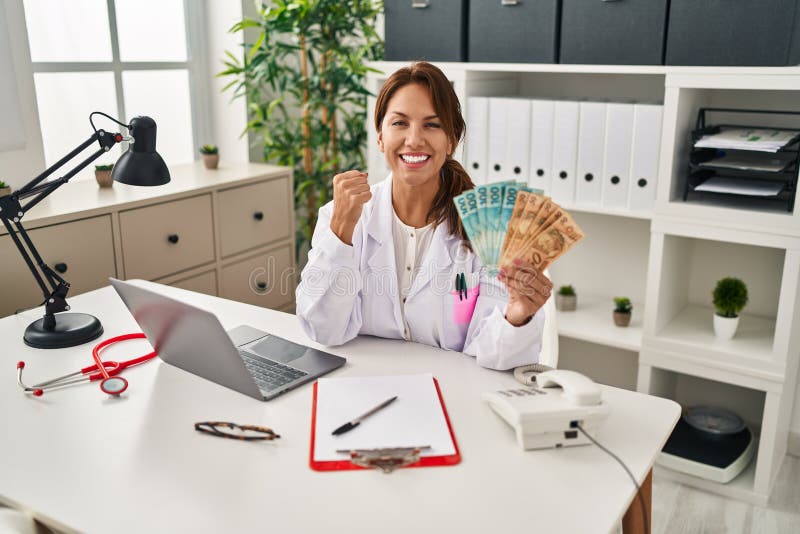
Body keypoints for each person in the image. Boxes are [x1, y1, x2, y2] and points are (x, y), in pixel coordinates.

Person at [295, 61, 553, 370]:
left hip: (452, 393)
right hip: (364, 387)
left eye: (432, 124)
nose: (414, 139)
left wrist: (517, 317)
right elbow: (323, 330)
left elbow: (492, 354)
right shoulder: (344, 216)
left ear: (451, 140)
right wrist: (340, 234)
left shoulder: (490, 227)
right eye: (400, 123)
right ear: (380, 137)